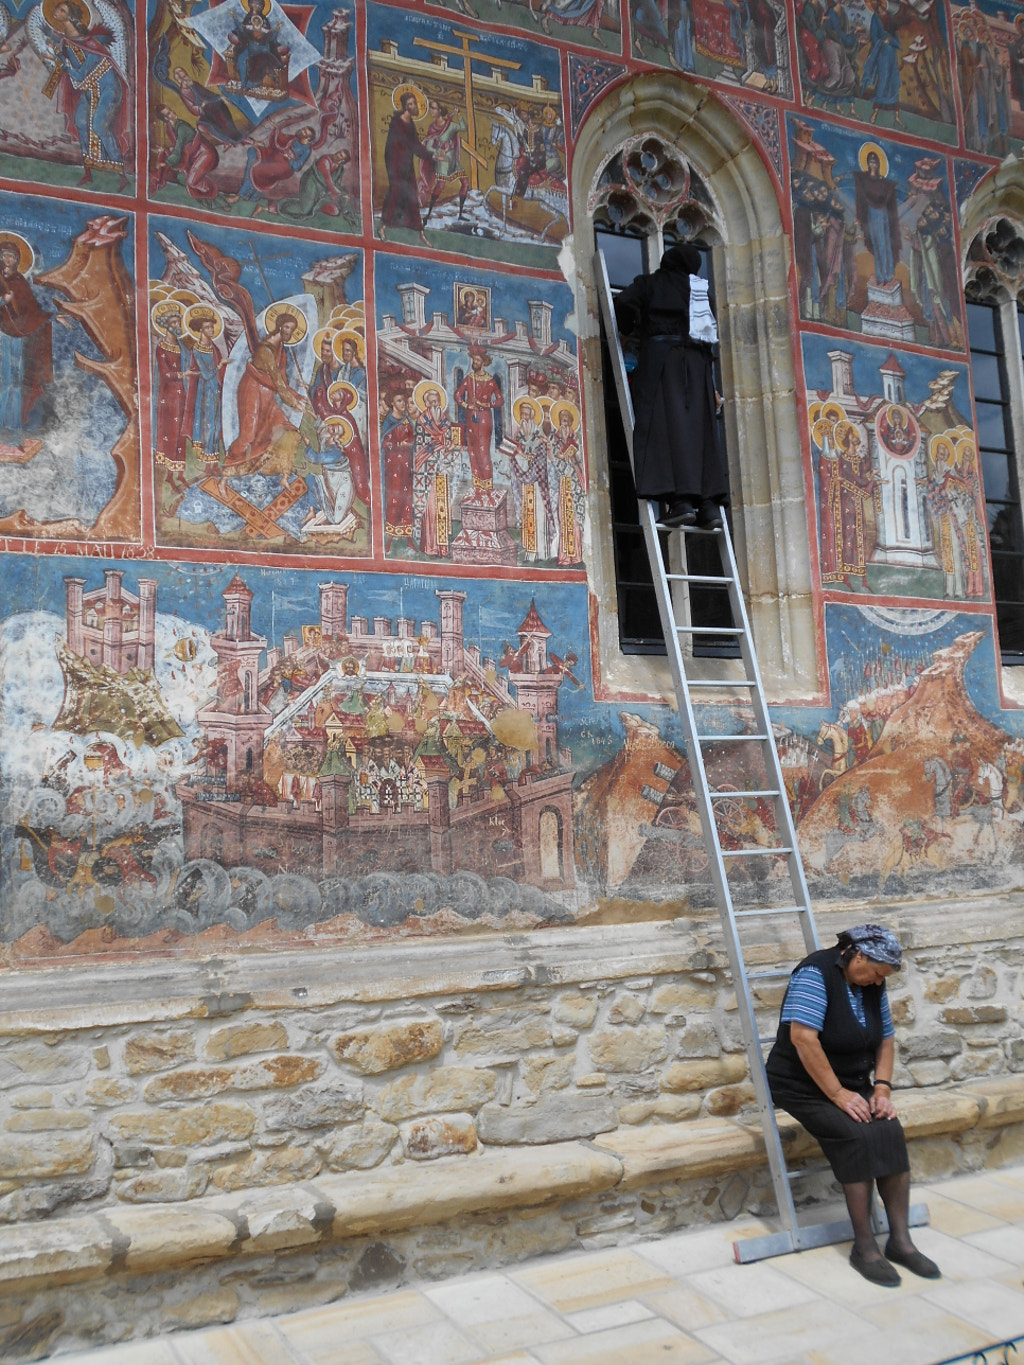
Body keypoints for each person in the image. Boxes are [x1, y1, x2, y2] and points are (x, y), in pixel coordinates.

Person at [766, 925, 940, 1287]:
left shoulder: (871, 984)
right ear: (858, 956)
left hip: (851, 1084)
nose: (878, 983)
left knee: (888, 1129)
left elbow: (886, 1039)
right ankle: (865, 1248)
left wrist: (882, 1090)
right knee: (856, 1135)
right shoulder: (815, 975)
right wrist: (839, 1095)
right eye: (876, 974)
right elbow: (803, 1039)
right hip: (800, 1085)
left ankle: (900, 1242)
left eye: (884, 978)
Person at [613, 242, 727, 528]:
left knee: (665, 429)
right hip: (699, 367)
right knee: (700, 432)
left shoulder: (652, 282)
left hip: (664, 363)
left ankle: (680, 502)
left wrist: (633, 327)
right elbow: (709, 332)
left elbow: (624, 303)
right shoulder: (701, 292)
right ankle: (709, 507)